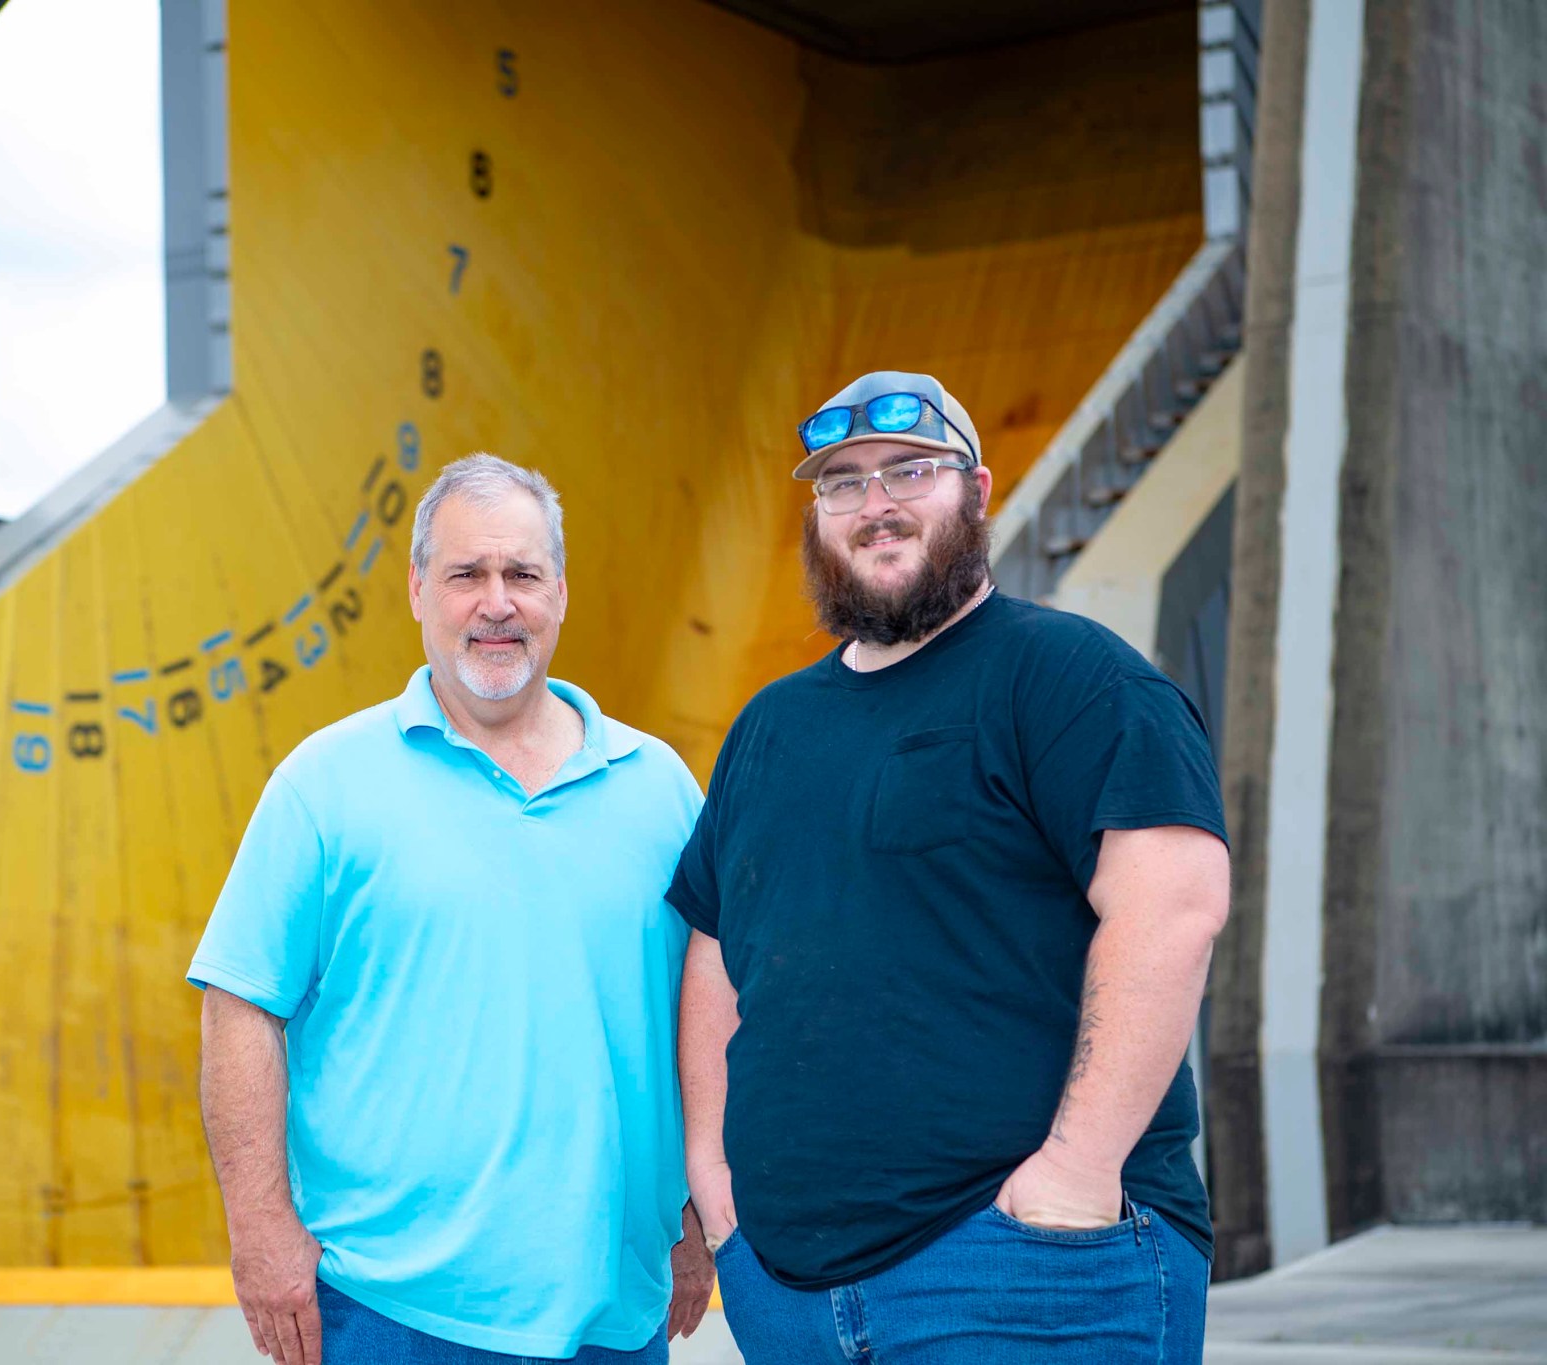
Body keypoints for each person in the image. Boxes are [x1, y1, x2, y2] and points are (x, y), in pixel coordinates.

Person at [673, 371, 1229, 1363]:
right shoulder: (767, 729)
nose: (874, 503)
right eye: (840, 484)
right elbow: (716, 949)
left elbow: (1172, 907)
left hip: (1022, 1271)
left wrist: (1072, 1172)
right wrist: (716, 1185)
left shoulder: (1069, 676)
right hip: (784, 1292)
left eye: (907, 471)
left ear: (975, 491)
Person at [189, 454, 714, 1365]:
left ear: (560, 593)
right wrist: (260, 1231)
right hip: (388, 1313)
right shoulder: (325, 784)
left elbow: (708, 1020)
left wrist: (703, 1210)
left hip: (614, 1316)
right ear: (418, 590)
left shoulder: (660, 788)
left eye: (522, 574)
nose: (496, 602)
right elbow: (239, 1008)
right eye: (467, 574)